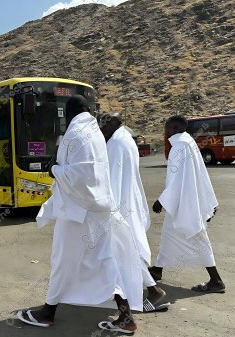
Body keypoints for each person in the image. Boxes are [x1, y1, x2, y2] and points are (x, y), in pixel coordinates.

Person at [17, 95, 137, 334]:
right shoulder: (95, 134)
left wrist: (54, 169)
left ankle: (48, 313)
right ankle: (125, 318)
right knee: (103, 263)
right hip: (98, 210)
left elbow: (80, 177)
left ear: (68, 113)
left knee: (62, 261)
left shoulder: (74, 134)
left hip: (78, 213)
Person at [99, 112, 171, 312]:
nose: (102, 128)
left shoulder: (115, 144)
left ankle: (153, 291)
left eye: (104, 124)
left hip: (120, 206)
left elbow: (111, 178)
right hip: (129, 202)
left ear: (114, 123)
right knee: (126, 250)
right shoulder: (126, 140)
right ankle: (131, 293)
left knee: (126, 250)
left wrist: (105, 206)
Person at [148, 115, 225, 293]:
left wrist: (162, 199)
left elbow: (177, 179)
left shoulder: (179, 146)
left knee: (197, 236)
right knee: (169, 233)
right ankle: (158, 269)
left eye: (166, 128)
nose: (164, 132)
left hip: (186, 202)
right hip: (186, 199)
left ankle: (216, 280)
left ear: (174, 128)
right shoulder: (187, 141)